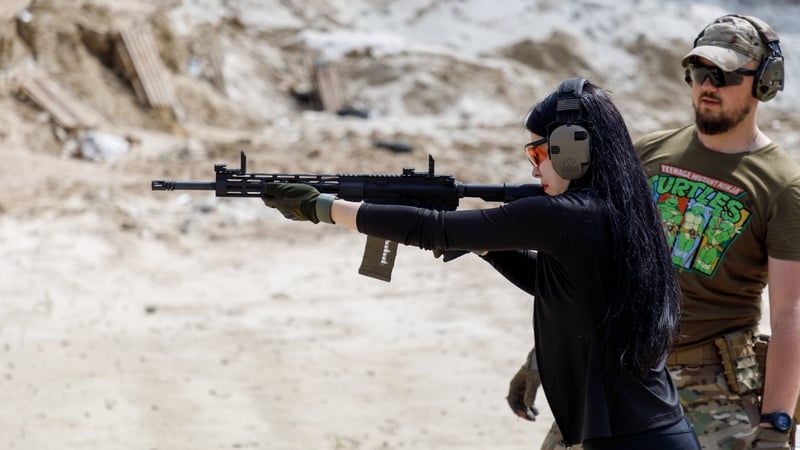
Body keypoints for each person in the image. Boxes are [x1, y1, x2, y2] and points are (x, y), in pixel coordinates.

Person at [260, 78, 701, 449]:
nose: (534, 171)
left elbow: (433, 229)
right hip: (650, 430)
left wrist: (324, 208)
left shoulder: (566, 215)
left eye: (538, 155)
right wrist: (487, 242)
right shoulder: (618, 210)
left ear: (572, 149)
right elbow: (553, 288)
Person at [528, 14, 800, 450]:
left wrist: (776, 423)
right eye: (698, 72)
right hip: (617, 366)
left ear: (764, 82)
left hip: (714, 385)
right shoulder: (648, 152)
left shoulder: (782, 183)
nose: (707, 85)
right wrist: (544, 356)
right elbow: (591, 267)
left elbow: (791, 312)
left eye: (724, 74)